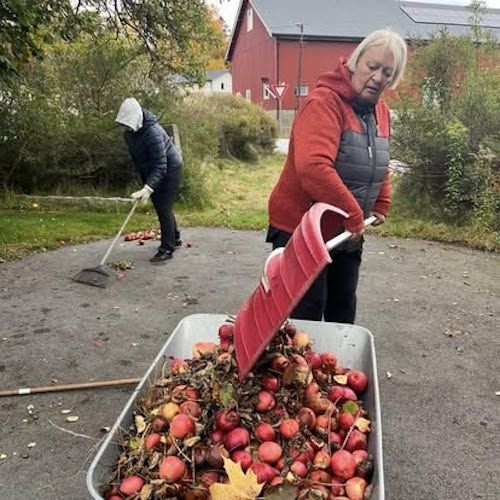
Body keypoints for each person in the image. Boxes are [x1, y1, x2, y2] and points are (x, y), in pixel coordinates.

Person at [266, 29, 408, 323]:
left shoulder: (381, 111)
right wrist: (354, 211)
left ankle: (336, 367)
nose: (378, 77)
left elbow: (378, 156)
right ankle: (296, 369)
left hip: (346, 230)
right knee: (305, 314)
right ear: (356, 62)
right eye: (373, 66)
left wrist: (381, 200)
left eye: (387, 72)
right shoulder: (324, 103)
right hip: (302, 228)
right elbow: (313, 167)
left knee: (342, 310)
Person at [115, 98, 183, 263]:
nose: (127, 127)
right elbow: (139, 159)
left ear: (137, 117)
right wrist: (145, 183)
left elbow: (161, 164)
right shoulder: (129, 134)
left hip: (171, 169)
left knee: (163, 207)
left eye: (129, 122)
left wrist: (148, 188)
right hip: (152, 171)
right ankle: (175, 237)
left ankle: (167, 248)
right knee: (162, 206)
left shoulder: (152, 132)